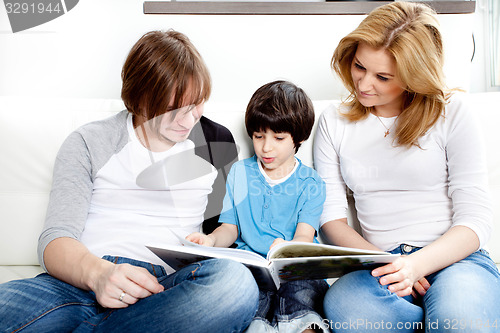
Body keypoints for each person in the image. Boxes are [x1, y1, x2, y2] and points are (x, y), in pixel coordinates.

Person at [0, 30, 259, 332]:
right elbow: (56, 238)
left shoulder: (217, 143)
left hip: (166, 291)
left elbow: (221, 233)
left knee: (236, 284)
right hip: (82, 280)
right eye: (173, 110)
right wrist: (98, 275)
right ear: (140, 101)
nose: (189, 121)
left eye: (196, 105)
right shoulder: (90, 140)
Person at [314, 2, 500, 332]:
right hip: (378, 264)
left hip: (455, 259)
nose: (364, 84)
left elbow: (476, 218)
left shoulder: (452, 112)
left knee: (461, 317)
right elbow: (330, 219)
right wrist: (393, 264)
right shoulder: (334, 121)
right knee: (344, 306)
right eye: (359, 66)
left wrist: (417, 265)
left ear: (414, 77)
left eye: (383, 77)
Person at [187, 80, 329, 333]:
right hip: (253, 268)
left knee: (302, 292)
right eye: (258, 136)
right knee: (250, 297)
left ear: (299, 137)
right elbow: (229, 228)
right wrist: (209, 241)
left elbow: (305, 235)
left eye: (278, 137)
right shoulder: (240, 173)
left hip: (295, 268)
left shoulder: (312, 182)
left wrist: (288, 248)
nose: (266, 147)